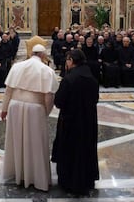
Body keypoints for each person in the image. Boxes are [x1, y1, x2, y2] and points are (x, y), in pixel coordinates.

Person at [1, 44, 59, 192]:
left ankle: (17, 174)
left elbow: (8, 91)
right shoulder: (47, 70)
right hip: (35, 108)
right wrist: (46, 111)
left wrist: (4, 109)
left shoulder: (16, 67)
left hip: (14, 106)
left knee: (17, 140)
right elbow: (49, 96)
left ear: (31, 53)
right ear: (43, 56)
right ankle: (36, 177)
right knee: (35, 143)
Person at [52, 49, 99, 195]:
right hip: (88, 121)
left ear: (71, 61)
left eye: (67, 60)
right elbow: (95, 99)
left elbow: (59, 101)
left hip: (70, 122)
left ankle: (69, 182)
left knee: (70, 150)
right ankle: (86, 180)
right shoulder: (91, 77)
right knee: (85, 149)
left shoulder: (69, 78)